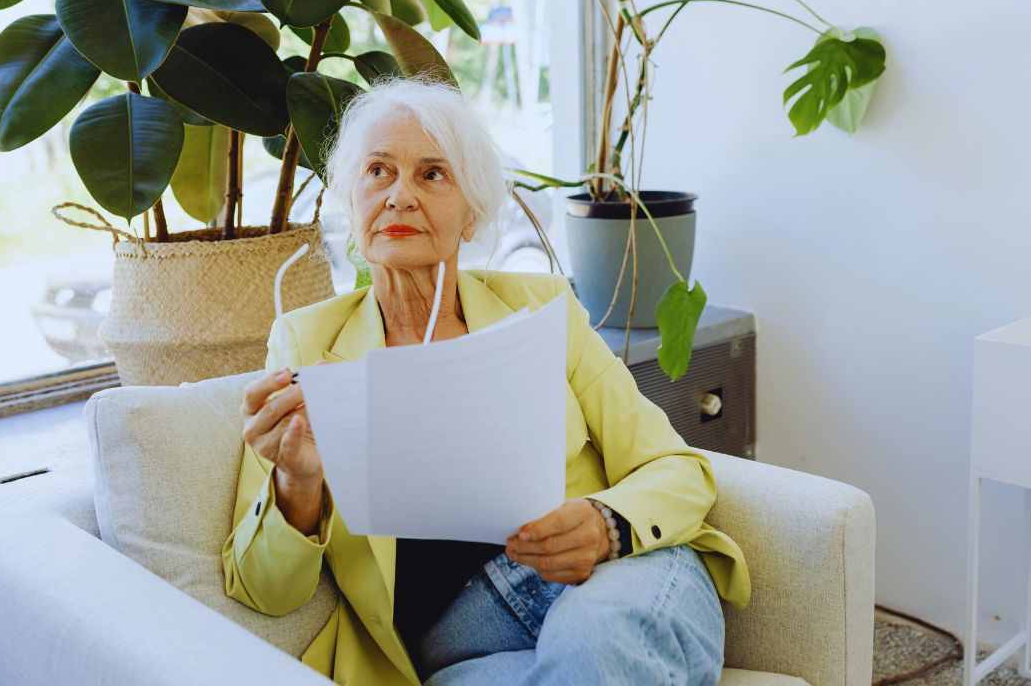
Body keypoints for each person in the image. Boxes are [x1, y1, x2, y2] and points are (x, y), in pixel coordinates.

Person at [222, 73, 751, 685]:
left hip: (610, 577)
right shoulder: (304, 345)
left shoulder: (546, 311)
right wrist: (297, 482)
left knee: (596, 643)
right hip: (462, 642)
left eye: (432, 174)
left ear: (470, 216)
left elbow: (680, 469)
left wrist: (606, 524)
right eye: (377, 172)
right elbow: (263, 591)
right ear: (351, 203)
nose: (399, 196)